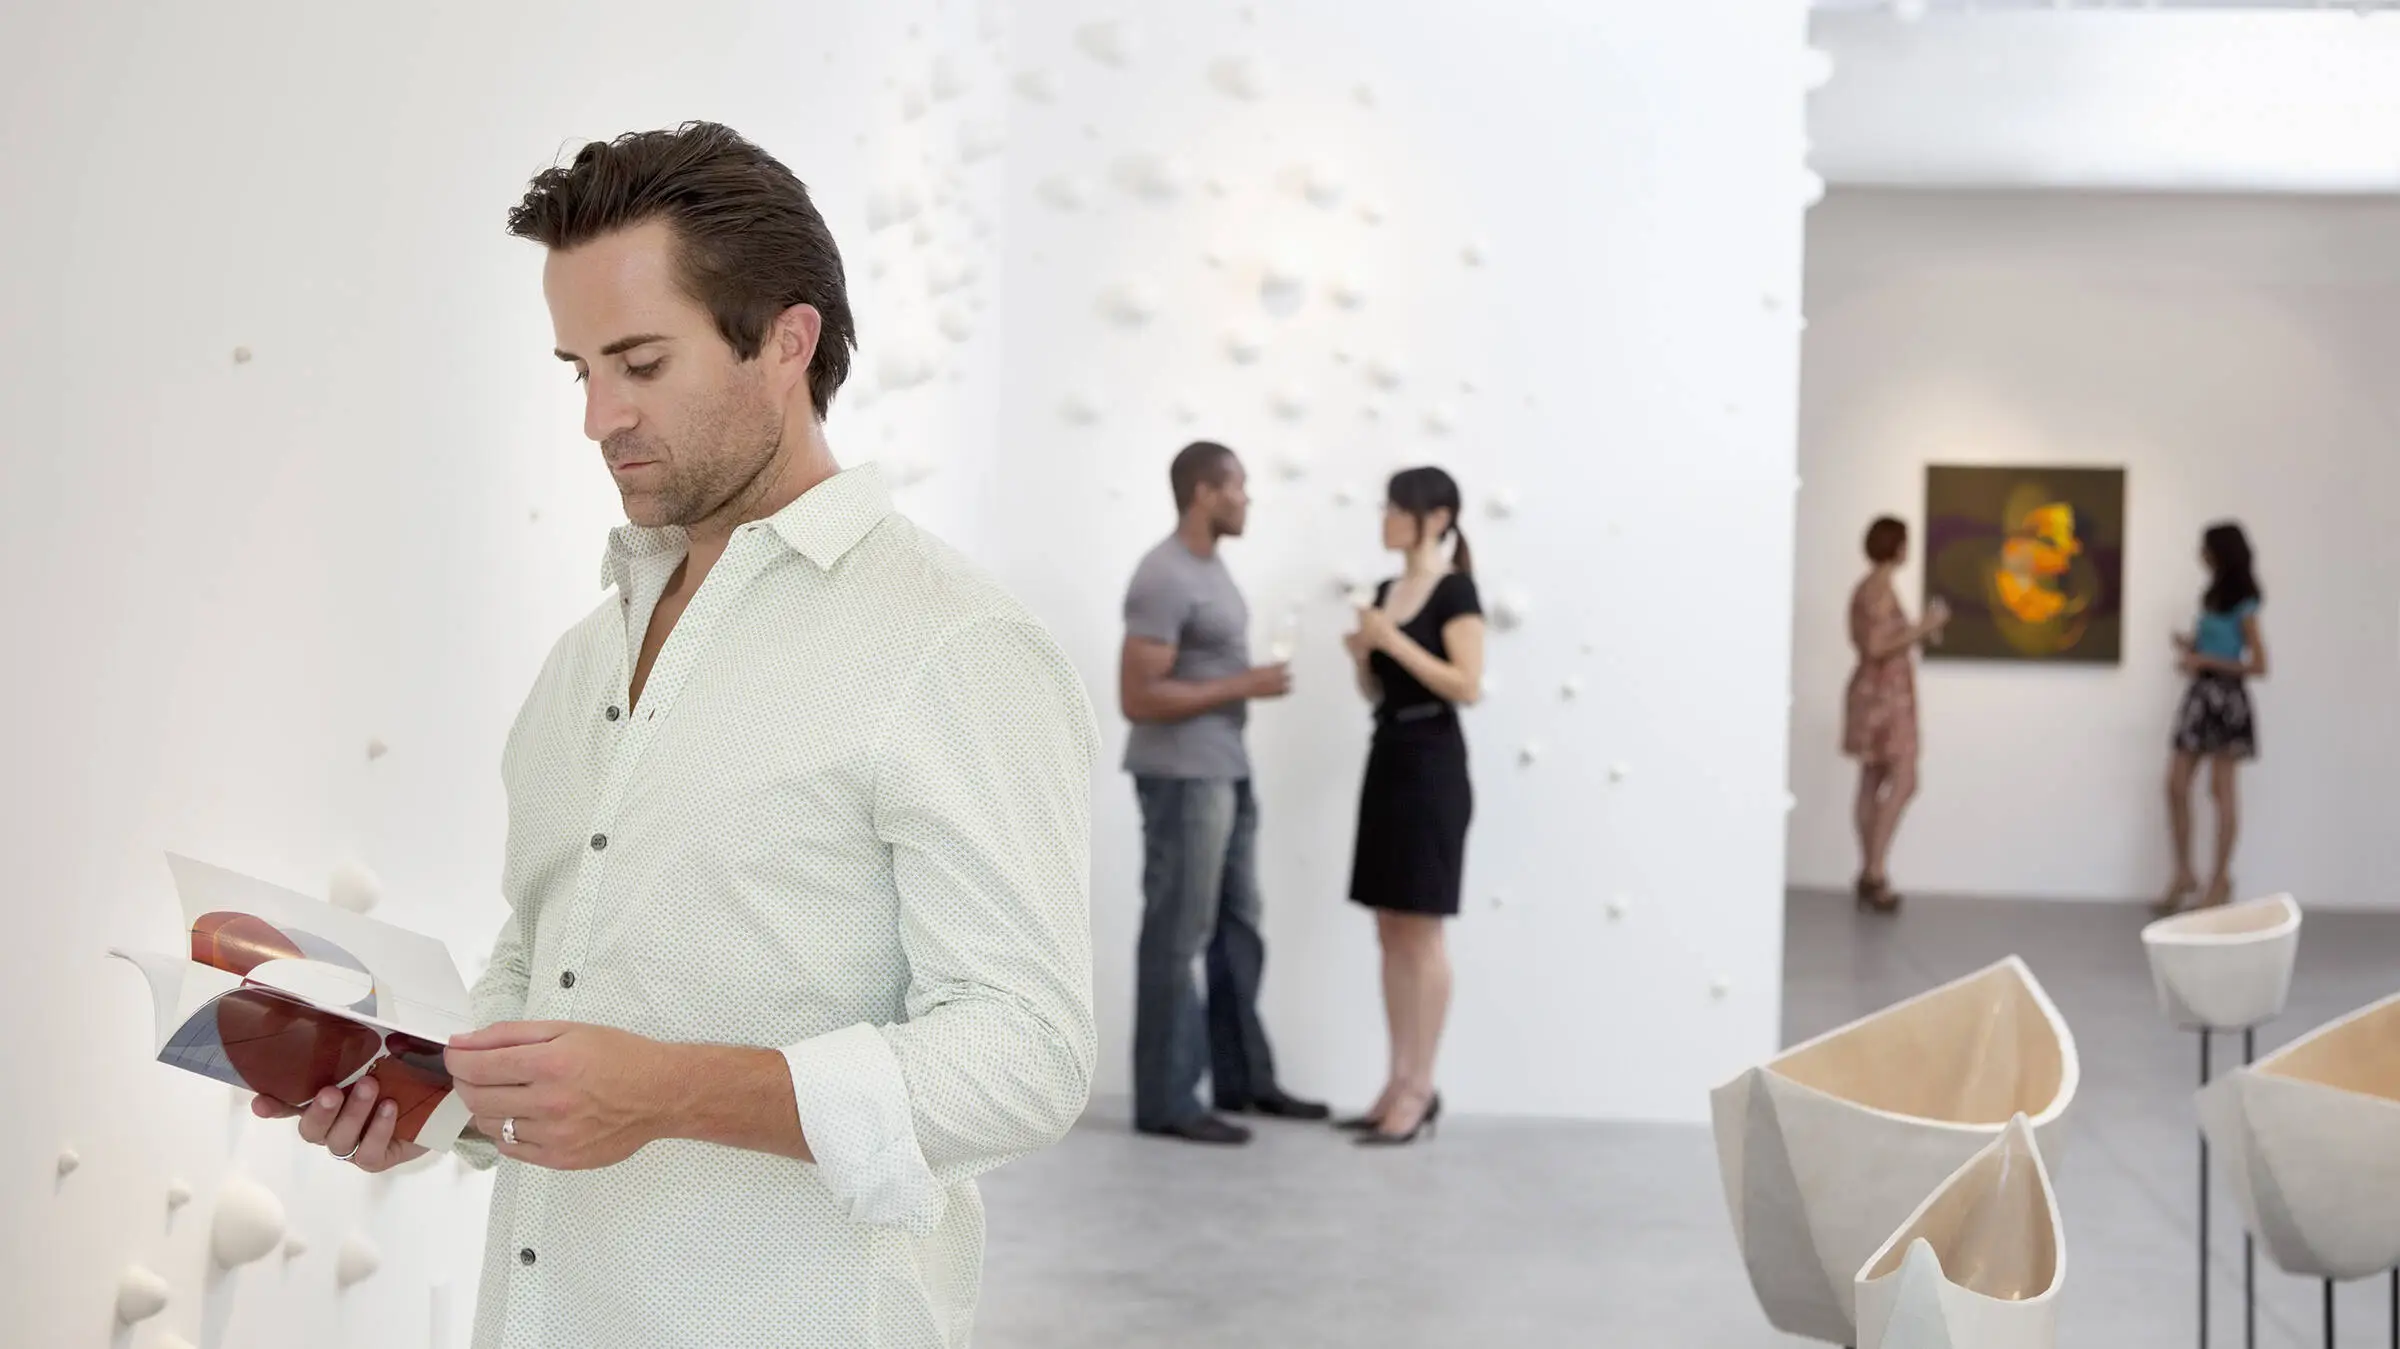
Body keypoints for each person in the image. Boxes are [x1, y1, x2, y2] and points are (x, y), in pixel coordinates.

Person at [249, 123, 1099, 1349]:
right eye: (577, 367)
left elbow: (1027, 1053)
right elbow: (547, 961)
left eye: (640, 360)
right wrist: (421, 1094)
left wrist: (673, 1090)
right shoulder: (585, 660)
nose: (599, 415)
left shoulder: (953, 647)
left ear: (788, 342)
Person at [1119, 441, 1328, 1144]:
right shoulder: (1163, 574)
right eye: (1239, 486)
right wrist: (1246, 683)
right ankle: (1168, 1100)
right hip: (1182, 777)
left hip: (1226, 769)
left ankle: (1243, 1079)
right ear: (1206, 492)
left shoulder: (1212, 568)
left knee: (1240, 926)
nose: (1247, 499)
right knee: (1178, 934)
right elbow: (1137, 695)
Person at [1337, 467, 1485, 1146]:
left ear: (1437, 516)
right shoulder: (1386, 590)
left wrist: (1392, 640)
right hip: (1389, 754)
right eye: (1387, 506)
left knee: (1422, 931)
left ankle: (1421, 1086)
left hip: (1432, 764)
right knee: (1389, 926)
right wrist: (1363, 657)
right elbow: (1378, 692)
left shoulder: (1454, 589)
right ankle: (1397, 1078)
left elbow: (1467, 683)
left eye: (1398, 508)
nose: (1386, 518)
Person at [2159, 522, 2268, 914]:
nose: (2200, 554)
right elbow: (2215, 644)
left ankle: (2220, 878)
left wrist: (2203, 659)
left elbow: (2259, 664)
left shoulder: (2247, 603)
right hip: (2200, 695)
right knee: (2175, 785)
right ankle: (2184, 872)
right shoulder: (2211, 597)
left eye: (2205, 548)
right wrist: (2191, 647)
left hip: (2226, 700)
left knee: (2220, 792)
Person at [1842, 516, 1948, 913]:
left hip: (1880, 692)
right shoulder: (1877, 590)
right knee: (1902, 778)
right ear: (1897, 546)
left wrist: (1920, 629)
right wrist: (1923, 627)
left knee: (1874, 779)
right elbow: (1876, 645)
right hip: (1883, 696)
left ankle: (1871, 871)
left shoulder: (1873, 588)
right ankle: (1874, 871)